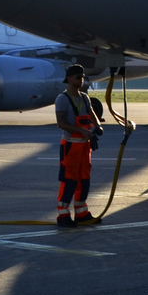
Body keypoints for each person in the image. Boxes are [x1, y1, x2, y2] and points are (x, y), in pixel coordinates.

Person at [54, 64, 102, 227]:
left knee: (84, 179)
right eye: (77, 77)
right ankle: (63, 214)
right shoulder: (62, 99)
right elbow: (61, 123)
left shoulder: (85, 98)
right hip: (70, 146)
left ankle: (81, 213)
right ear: (69, 79)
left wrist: (97, 126)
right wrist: (83, 131)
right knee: (69, 180)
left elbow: (91, 114)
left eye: (82, 77)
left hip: (84, 147)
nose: (81, 80)